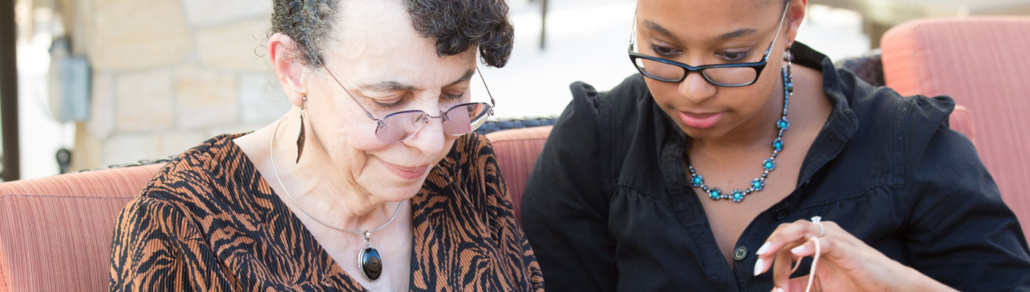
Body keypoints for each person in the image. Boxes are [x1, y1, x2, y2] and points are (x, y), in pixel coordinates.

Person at [521, 0, 1030, 291]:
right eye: (664, 48)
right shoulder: (595, 143)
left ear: (791, 22)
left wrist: (894, 285)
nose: (693, 89)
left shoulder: (907, 147)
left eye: (733, 54)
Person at [109, 0, 544, 291]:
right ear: (293, 69)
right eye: (389, 102)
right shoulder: (181, 226)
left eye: (453, 94)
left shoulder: (465, 166)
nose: (432, 144)